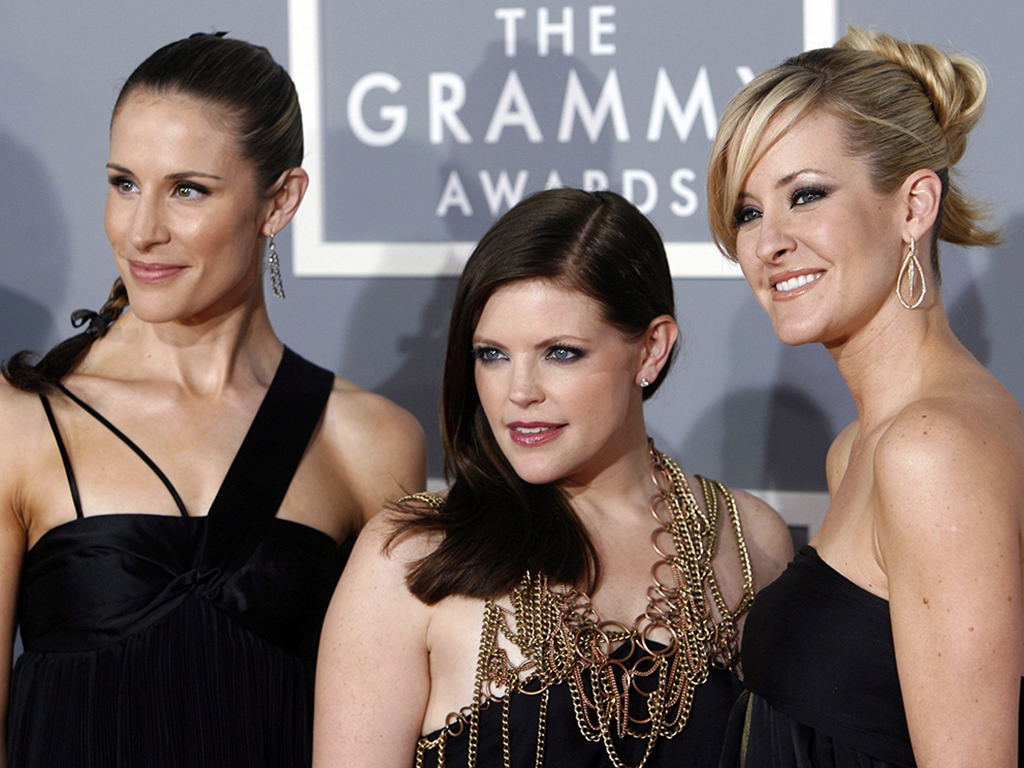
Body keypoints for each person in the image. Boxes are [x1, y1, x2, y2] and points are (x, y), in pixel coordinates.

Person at [0, 33, 426, 768]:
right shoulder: (23, 420)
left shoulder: (371, 441)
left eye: (187, 189)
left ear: (280, 201)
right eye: (124, 182)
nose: (142, 231)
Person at [313, 188, 793, 768]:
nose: (519, 392)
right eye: (492, 355)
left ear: (651, 350)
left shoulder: (748, 540)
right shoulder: (413, 555)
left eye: (560, 353)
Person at [706, 27, 1023, 768]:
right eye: (748, 211)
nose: (768, 243)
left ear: (913, 208)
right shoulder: (860, 448)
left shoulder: (930, 449)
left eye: (805, 195)